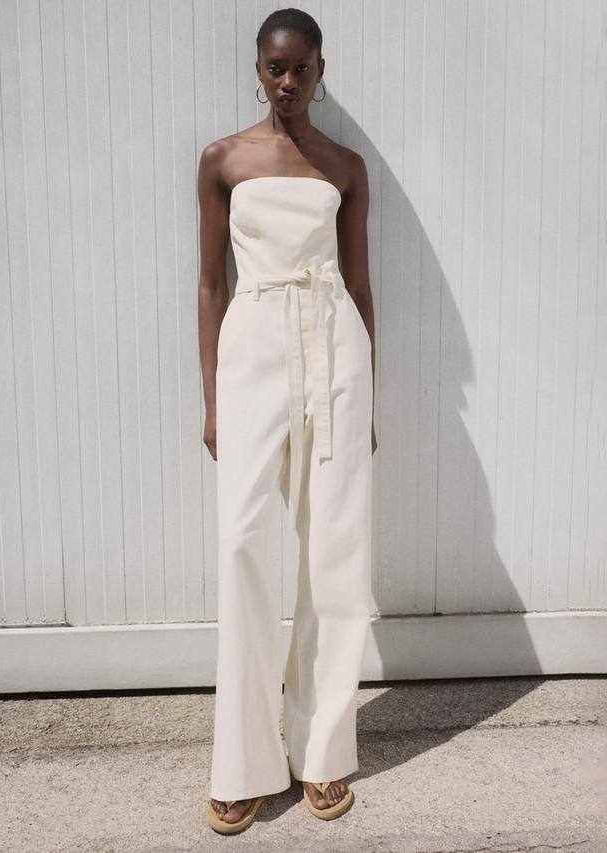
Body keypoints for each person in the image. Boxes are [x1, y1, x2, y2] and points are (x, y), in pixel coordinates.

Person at [197, 7, 377, 835]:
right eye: (275, 67)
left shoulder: (345, 166)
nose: (288, 81)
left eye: (302, 67)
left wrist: (366, 395)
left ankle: (321, 748)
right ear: (257, 69)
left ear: (320, 71)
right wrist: (212, 400)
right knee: (241, 541)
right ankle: (242, 762)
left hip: (335, 348)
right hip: (254, 349)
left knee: (333, 552)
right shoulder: (223, 159)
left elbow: (360, 285)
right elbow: (211, 285)